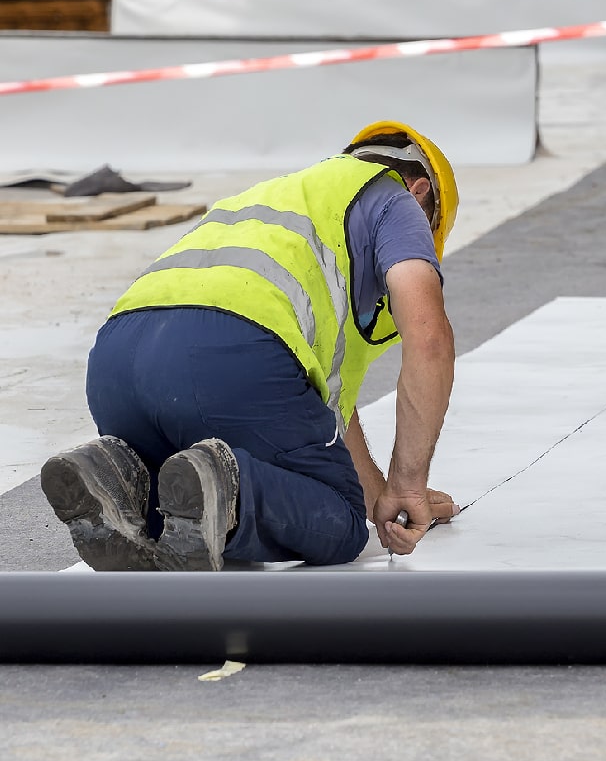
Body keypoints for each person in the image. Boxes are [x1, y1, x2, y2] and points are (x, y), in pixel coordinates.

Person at [40, 120, 461, 571]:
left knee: (183, 505)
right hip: (231, 353)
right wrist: (411, 487)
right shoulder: (396, 199)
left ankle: (118, 473)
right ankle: (226, 485)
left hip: (116, 362)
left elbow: (330, 420)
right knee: (336, 522)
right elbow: (430, 340)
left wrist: (389, 500)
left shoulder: (268, 199)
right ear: (420, 193)